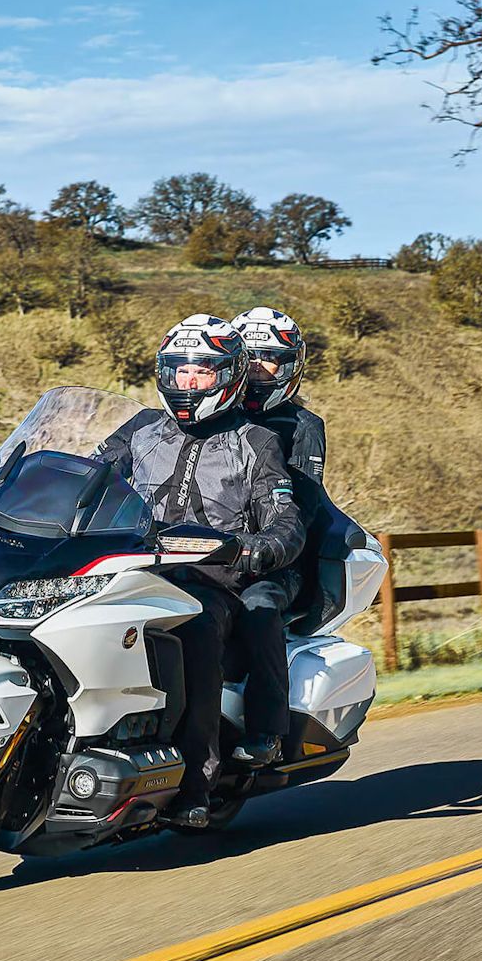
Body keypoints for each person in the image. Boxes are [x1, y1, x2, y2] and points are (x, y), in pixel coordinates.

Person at [93, 314, 305, 828]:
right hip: (130, 566)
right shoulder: (141, 427)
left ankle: (195, 782)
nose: (187, 384)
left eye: (201, 373)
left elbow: (286, 513)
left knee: (198, 633)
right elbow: (90, 473)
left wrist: (263, 546)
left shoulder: (255, 440)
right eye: (178, 371)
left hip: (213, 580)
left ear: (228, 376)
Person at [225, 306, 326, 767]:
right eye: (251, 356)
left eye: (271, 359)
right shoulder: (214, 416)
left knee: (259, 607)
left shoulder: (302, 428)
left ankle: (267, 729)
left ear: (290, 367)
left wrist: (258, 547)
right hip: (204, 550)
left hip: (277, 561)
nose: (259, 368)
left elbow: (298, 509)